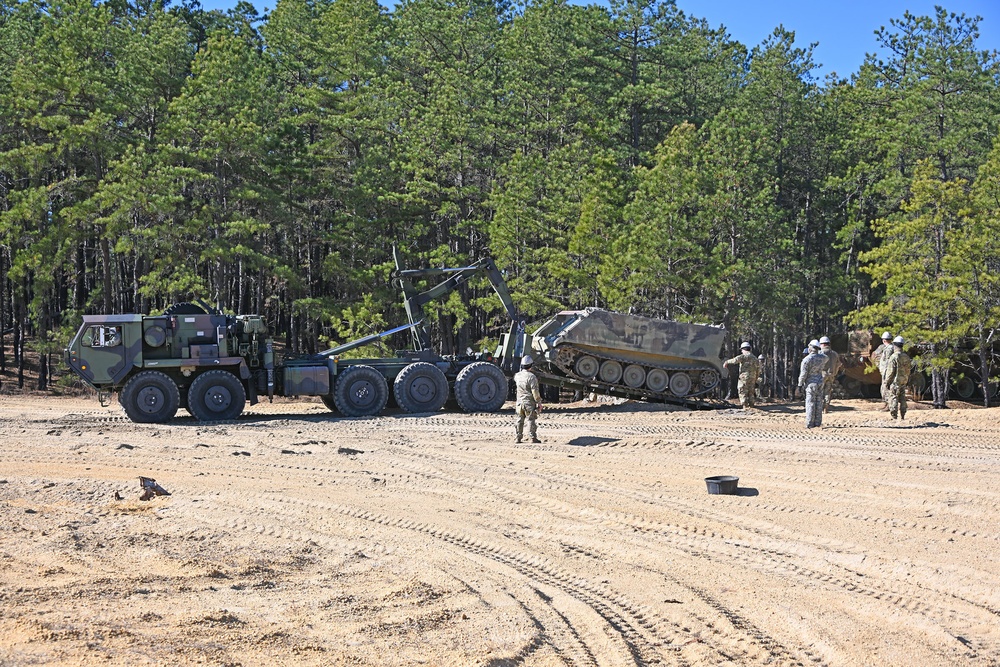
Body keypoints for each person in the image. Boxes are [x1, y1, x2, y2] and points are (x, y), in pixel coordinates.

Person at [514, 355, 542, 443]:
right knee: (531, 420)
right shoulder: (532, 377)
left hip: (519, 402)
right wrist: (539, 402)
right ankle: (532, 437)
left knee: (519, 419)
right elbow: (535, 392)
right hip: (529, 402)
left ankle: (518, 437)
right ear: (531, 365)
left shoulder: (517, 376)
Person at [799, 340, 827, 428]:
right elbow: (826, 357)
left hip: (811, 383)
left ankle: (809, 423)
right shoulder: (823, 358)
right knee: (819, 403)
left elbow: (803, 374)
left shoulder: (807, 359)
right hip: (820, 382)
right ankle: (818, 423)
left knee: (810, 403)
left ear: (810, 347)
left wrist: (800, 384)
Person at [882, 335, 912, 420]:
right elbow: (908, 370)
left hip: (895, 381)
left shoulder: (894, 357)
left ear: (895, 345)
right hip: (904, 380)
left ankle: (894, 415)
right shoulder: (906, 357)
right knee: (902, 397)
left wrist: (887, 382)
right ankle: (903, 414)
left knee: (893, 397)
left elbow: (891, 371)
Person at [724, 342, 761, 409]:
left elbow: (735, 360)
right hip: (753, 377)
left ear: (743, 349)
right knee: (751, 391)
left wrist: (726, 362)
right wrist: (756, 378)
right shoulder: (755, 358)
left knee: (742, 391)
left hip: (744, 377)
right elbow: (758, 369)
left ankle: (745, 406)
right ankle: (751, 405)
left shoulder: (743, 356)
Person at [871, 331, 894, 410]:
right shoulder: (894, 348)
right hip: (890, 371)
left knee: (885, 388)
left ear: (884, 340)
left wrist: (879, 365)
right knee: (888, 388)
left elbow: (874, 356)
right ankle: (888, 404)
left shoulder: (886, 348)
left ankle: (888, 405)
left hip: (886, 371)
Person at [818, 336, 841, 413]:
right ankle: (826, 408)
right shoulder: (835, 354)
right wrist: (834, 372)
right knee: (827, 391)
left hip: (821, 375)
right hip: (831, 375)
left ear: (822, 344)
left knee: (819, 391)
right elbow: (839, 364)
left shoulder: (819, 353)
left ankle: (820, 407)